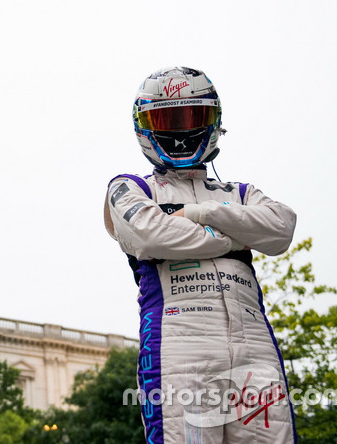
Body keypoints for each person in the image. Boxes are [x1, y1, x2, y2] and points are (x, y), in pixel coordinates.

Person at [104, 67, 297, 443]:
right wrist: (235, 238)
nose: (179, 130)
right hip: (180, 342)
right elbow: (150, 236)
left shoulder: (240, 190)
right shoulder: (130, 186)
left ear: (214, 120)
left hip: (255, 344)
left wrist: (201, 214)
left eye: (192, 116)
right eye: (166, 118)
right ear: (144, 126)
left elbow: (281, 229)